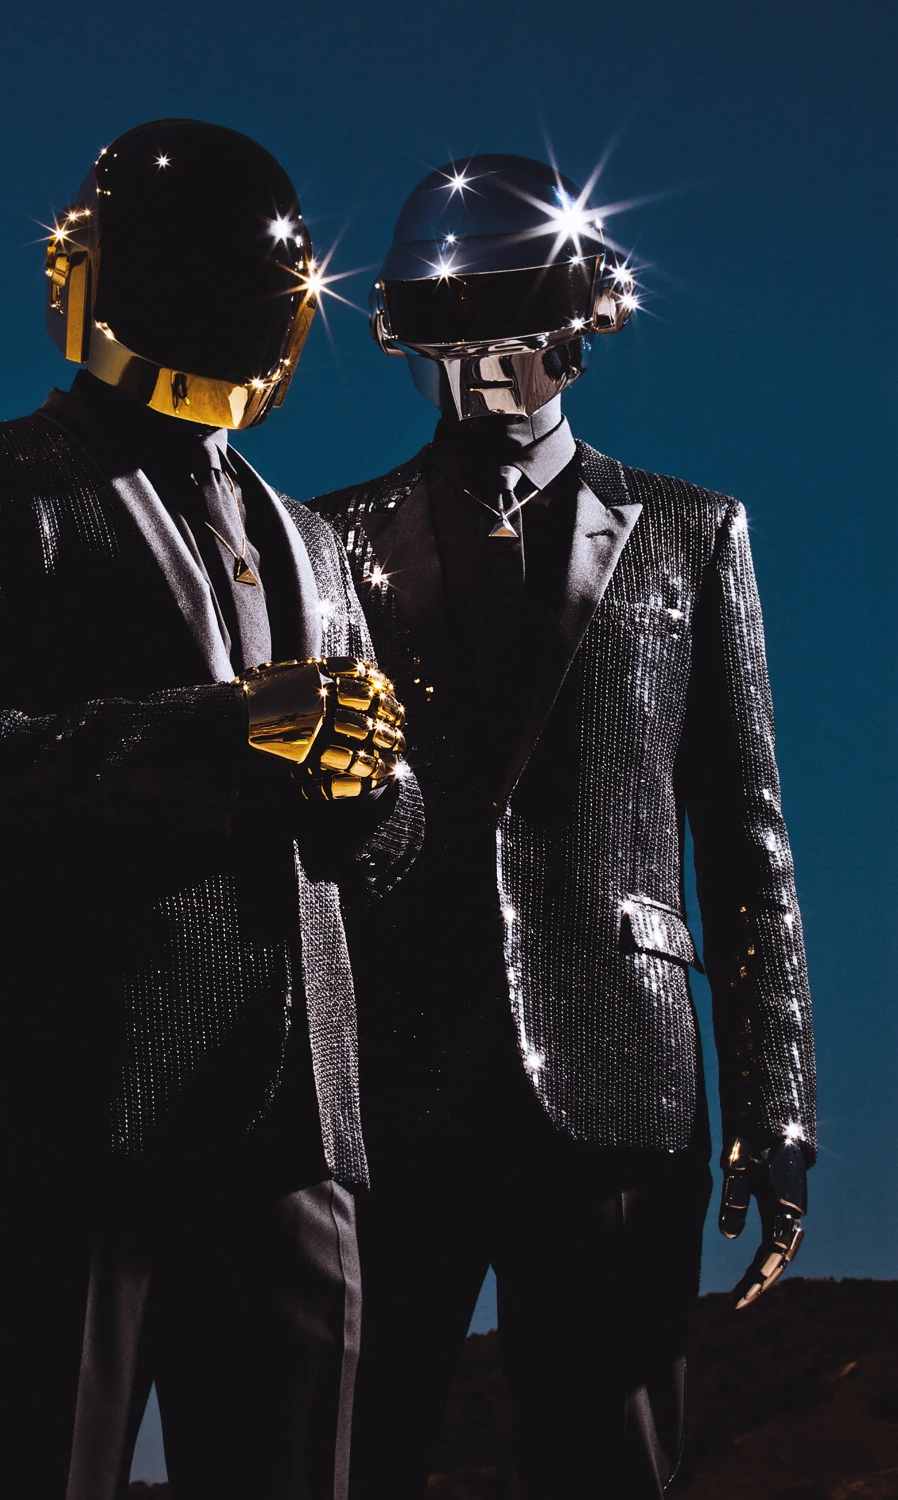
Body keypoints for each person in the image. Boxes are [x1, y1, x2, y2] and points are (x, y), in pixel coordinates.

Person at [0, 119, 421, 1500]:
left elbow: (385, 846)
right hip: (67, 1119)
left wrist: (374, 785)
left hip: (298, 1137)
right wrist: (222, 730)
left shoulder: (317, 542)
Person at [309, 153, 815, 1499]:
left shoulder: (693, 533)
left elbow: (745, 841)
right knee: (350, 1459)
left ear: (580, 322)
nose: (470, 360)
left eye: (496, 317)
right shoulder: (321, 543)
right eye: (438, 322)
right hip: (385, 1078)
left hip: (618, 1077)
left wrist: (777, 1104)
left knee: (610, 1463)